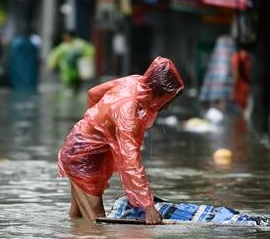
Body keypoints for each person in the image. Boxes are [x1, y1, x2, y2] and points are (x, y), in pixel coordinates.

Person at [57, 56, 185, 224]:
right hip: (82, 156)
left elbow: (93, 93)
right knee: (96, 225)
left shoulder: (134, 81)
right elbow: (132, 163)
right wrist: (148, 207)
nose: (167, 106)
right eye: (168, 100)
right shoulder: (127, 114)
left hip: (80, 145)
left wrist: (98, 125)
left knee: (78, 220)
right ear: (158, 93)